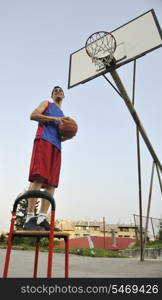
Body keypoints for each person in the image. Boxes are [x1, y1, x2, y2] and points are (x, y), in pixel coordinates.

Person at [24, 86, 69, 231]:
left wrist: (67, 135)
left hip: (57, 147)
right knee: (38, 178)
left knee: (52, 184)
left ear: (63, 96)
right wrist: (54, 118)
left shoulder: (63, 115)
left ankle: (42, 219)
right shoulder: (46, 104)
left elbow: (61, 135)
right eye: (55, 91)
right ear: (51, 95)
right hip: (44, 141)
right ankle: (29, 218)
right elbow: (33, 115)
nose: (58, 92)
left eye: (60, 91)